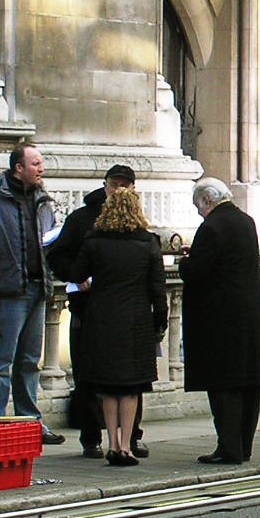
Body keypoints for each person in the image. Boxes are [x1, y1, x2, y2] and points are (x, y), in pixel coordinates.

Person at [59, 188, 167, 466]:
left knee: (107, 386)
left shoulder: (95, 240)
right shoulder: (148, 242)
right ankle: (127, 446)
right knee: (130, 387)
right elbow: (157, 287)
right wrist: (160, 320)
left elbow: (76, 274)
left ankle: (111, 443)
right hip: (136, 319)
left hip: (102, 317)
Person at [47, 164, 145, 458]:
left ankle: (131, 436)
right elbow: (59, 256)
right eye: (115, 185)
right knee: (89, 374)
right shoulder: (82, 220)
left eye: (125, 186)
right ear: (105, 185)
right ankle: (92, 436)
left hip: (125, 310)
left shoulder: (136, 224)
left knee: (131, 378)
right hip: (88, 308)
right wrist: (78, 277)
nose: (119, 190)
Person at [0, 141, 62, 443]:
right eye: (35, 163)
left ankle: (29, 420)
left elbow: (51, 244)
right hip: (8, 291)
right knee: (0, 362)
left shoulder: (43, 201)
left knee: (29, 361)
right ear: (18, 168)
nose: (41, 168)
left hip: (38, 290)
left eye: (41, 163)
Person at [180, 177, 260, 464]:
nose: (200, 212)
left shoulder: (212, 227)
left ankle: (229, 447)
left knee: (224, 384)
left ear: (207, 201)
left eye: (199, 207)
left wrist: (185, 261)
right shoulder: (246, 221)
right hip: (249, 312)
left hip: (221, 316)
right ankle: (244, 446)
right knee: (248, 383)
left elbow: (197, 271)